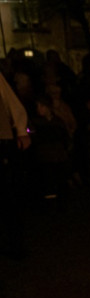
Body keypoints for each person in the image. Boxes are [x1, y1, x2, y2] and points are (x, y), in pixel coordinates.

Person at [0, 71, 31, 259]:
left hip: (1, 139)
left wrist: (21, 130)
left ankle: (14, 243)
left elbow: (10, 101)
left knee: (6, 193)